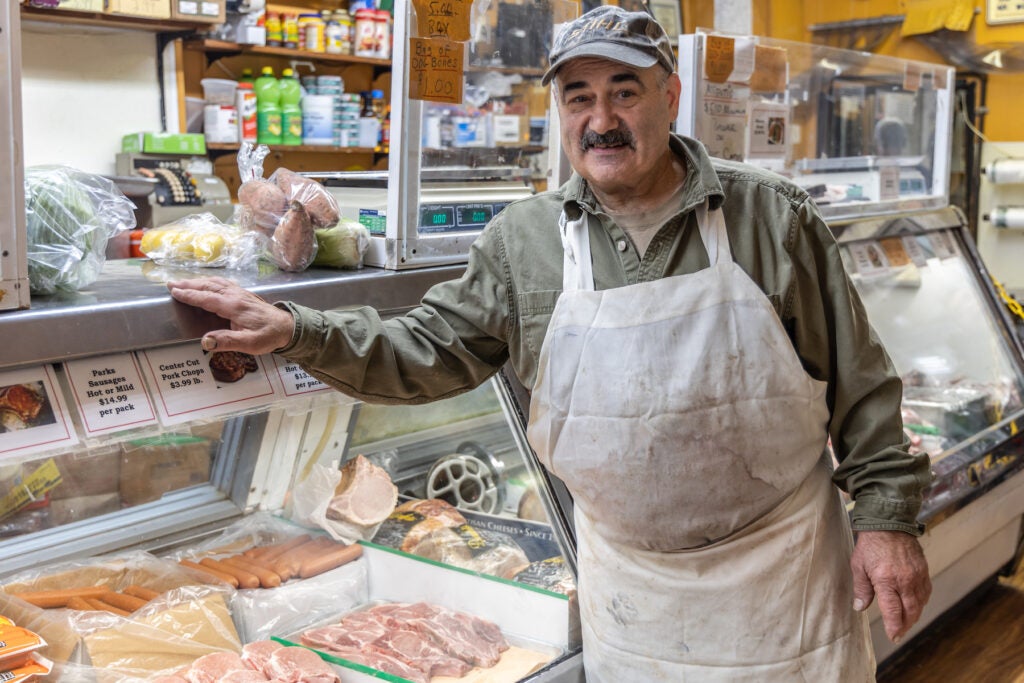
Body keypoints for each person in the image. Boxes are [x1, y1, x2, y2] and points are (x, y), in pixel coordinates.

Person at [169, 6, 933, 680]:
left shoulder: (771, 216)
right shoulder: (525, 241)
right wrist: (300, 329)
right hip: (633, 600)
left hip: (784, 583)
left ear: (669, 97)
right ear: (559, 113)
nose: (601, 118)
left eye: (624, 93)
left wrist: (888, 518)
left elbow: (862, 384)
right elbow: (426, 351)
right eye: (579, 97)